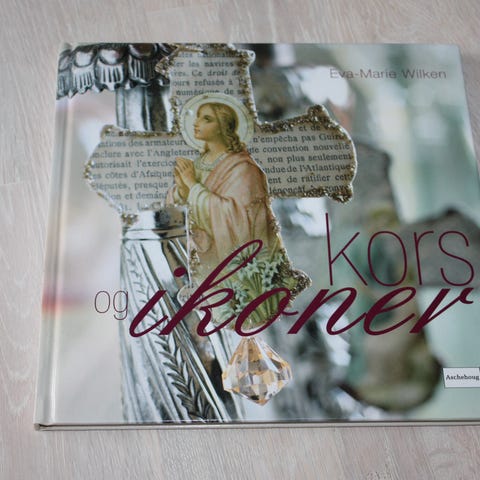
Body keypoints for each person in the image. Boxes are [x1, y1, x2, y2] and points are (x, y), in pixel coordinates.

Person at [168, 101, 307, 326]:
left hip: (238, 269)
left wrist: (193, 187)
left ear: (223, 127)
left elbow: (235, 215)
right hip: (202, 261)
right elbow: (180, 207)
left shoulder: (244, 169)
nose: (196, 123)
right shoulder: (198, 165)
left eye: (206, 118)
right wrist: (182, 191)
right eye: (198, 116)